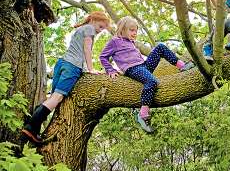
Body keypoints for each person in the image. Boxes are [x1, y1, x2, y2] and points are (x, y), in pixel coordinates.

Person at [22, 11, 111, 143]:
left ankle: (34, 123)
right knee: (58, 97)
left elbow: (78, 49)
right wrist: (91, 69)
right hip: (72, 67)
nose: (100, 31)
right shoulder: (89, 29)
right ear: (93, 20)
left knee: (53, 98)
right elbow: (87, 49)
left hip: (62, 63)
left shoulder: (79, 29)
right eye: (101, 27)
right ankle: (31, 127)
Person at [99, 16, 194, 133]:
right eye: (131, 30)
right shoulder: (115, 41)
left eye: (136, 30)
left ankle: (182, 66)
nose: (134, 33)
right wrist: (111, 70)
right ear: (122, 29)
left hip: (143, 66)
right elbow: (103, 57)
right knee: (152, 81)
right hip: (132, 69)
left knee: (160, 47)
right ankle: (143, 114)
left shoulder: (131, 42)